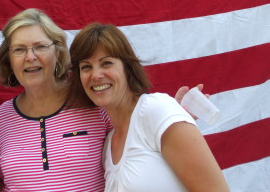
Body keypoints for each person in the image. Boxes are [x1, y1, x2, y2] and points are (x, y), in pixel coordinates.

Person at [0, 8, 201, 192]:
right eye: (19, 49)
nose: (30, 57)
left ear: (57, 52)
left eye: (39, 46)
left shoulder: (91, 100)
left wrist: (170, 122)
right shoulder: (1, 117)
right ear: (9, 59)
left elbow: (136, 132)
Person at [69, 23, 230, 192]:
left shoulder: (156, 110)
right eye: (86, 67)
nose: (96, 75)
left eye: (106, 63)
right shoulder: (108, 146)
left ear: (127, 68)